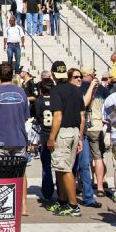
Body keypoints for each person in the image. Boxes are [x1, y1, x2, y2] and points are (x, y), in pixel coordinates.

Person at [46, 61, 84, 217]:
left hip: (63, 131)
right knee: (62, 169)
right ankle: (62, 201)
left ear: (54, 74)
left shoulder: (56, 90)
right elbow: (82, 115)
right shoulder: (75, 90)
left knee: (64, 169)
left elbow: (57, 115)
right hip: (75, 130)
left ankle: (73, 205)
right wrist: (80, 136)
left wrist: (51, 137)